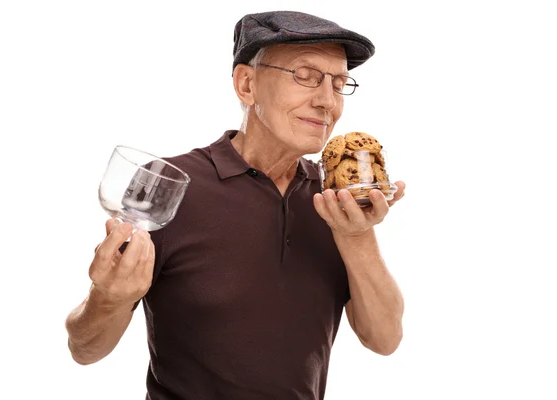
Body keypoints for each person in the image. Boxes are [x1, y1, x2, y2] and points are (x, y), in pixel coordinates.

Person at [65, 10, 406, 400]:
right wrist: (110, 297)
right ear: (247, 84)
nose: (328, 101)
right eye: (306, 76)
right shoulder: (167, 184)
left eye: (339, 83)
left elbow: (385, 339)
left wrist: (358, 235)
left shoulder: (334, 198)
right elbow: (85, 349)